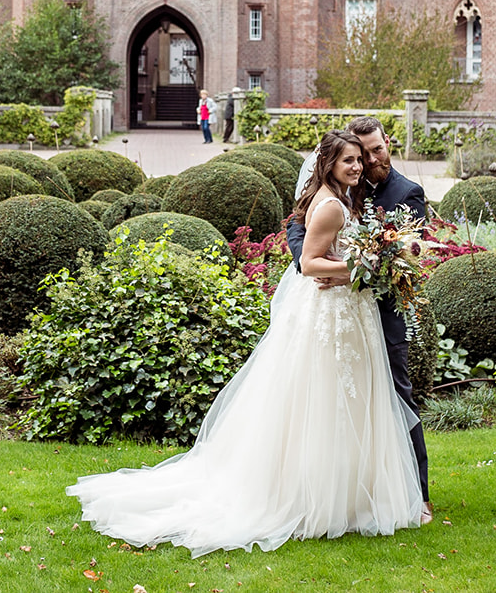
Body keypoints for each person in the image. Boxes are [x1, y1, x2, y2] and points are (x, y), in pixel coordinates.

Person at [67, 130, 424, 556]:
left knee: (342, 400)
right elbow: (310, 263)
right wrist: (367, 268)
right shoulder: (330, 206)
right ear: (328, 164)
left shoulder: (343, 199)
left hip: (346, 311)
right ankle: (317, 499)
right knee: (326, 399)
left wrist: (373, 263)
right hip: (333, 312)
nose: (357, 166)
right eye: (348, 160)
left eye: (359, 160)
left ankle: (344, 495)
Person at [286, 114, 432, 521]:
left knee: (395, 398)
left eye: (375, 151)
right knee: (336, 399)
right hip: (339, 311)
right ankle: (342, 492)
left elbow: (411, 249)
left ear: (389, 143)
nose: (368, 161)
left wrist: (365, 266)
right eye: (359, 155)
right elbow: (299, 229)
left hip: (381, 314)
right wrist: (313, 266)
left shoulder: (407, 192)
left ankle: (417, 492)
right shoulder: (337, 193)